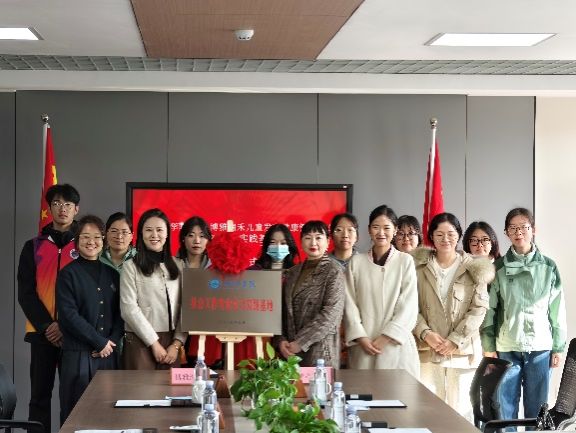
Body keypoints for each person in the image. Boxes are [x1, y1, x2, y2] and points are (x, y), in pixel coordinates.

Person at [480, 207, 567, 421]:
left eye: (523, 227)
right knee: (505, 408)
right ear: (506, 232)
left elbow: (557, 310)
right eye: (513, 228)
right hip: (507, 345)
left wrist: (558, 347)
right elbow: (489, 310)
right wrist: (488, 346)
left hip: (540, 347)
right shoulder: (498, 267)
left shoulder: (548, 266)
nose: (518, 232)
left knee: (537, 411)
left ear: (533, 229)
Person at [412, 212, 494, 422]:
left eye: (450, 233)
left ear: (458, 235)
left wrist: (455, 340)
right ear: (431, 236)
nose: (445, 239)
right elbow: (410, 306)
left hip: (462, 353)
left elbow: (479, 309)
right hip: (428, 350)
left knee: (461, 414)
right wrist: (425, 333)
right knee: (429, 413)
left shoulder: (474, 267)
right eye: (439, 234)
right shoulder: (417, 267)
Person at [17, 183, 80, 433]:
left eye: (67, 204)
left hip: (74, 335)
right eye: (56, 204)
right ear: (49, 209)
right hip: (42, 334)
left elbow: (87, 292)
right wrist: (47, 326)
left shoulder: (85, 245)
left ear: (76, 209)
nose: (62, 209)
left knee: (73, 397)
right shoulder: (33, 246)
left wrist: (65, 325)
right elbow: (26, 293)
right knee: (39, 397)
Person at [56, 215, 123, 423]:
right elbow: (68, 315)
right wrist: (98, 341)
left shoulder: (113, 275)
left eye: (96, 236)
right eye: (85, 236)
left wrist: (110, 342)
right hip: (77, 355)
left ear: (103, 240)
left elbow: (121, 313)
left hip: (108, 355)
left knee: (108, 415)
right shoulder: (67, 274)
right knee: (76, 415)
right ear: (77, 241)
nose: (91, 241)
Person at [344, 205, 419, 377]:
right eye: (376, 227)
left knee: (397, 392)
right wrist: (360, 337)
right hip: (363, 346)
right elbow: (349, 303)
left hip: (395, 347)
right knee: (363, 392)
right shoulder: (356, 262)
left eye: (387, 228)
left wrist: (387, 336)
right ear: (369, 230)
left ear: (395, 230)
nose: (381, 233)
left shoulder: (405, 261)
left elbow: (409, 305)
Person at [120, 208, 187, 369]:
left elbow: (186, 307)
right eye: (148, 230)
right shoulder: (130, 266)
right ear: (141, 234)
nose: (154, 235)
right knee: (141, 386)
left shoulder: (179, 265)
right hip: (139, 341)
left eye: (159, 230)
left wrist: (177, 343)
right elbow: (129, 309)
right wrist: (154, 343)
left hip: (172, 342)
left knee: (170, 386)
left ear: (167, 234)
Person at [275, 221, 345, 368]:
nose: (313, 243)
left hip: (320, 350)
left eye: (318, 237)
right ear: (301, 242)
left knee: (317, 383)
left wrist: (300, 342)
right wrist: (281, 340)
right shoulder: (292, 272)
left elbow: (331, 313)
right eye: (308, 238)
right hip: (289, 351)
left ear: (328, 241)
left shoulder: (334, 271)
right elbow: (281, 312)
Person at [176, 216, 220, 367]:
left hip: (205, 332)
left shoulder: (216, 269)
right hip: (177, 329)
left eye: (202, 236)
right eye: (191, 235)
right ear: (183, 238)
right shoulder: (172, 265)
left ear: (208, 240)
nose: (197, 241)